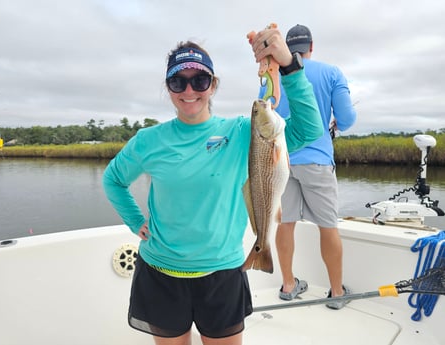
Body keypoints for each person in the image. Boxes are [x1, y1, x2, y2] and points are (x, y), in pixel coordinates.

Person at [103, 26, 323, 345]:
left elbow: (309, 129)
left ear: (213, 85)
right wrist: (135, 221)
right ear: (168, 87)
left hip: (223, 274)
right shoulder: (148, 141)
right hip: (160, 273)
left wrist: (288, 65)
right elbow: (113, 180)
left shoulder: (241, 132)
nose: (189, 90)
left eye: (200, 80)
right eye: (178, 81)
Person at [259, 24, 356, 309]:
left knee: (284, 222)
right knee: (328, 226)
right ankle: (337, 293)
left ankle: (288, 285)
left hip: (282, 160)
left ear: (286, 49)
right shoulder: (332, 73)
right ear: (311, 47)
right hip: (318, 160)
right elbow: (347, 119)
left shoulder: (272, 74)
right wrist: (336, 122)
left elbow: (267, 114)